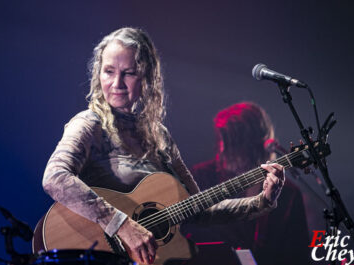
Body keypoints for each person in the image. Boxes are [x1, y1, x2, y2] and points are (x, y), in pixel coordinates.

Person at [42, 27, 285, 265]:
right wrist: (122, 226)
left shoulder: (160, 136)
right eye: (108, 71)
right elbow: (55, 177)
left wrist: (261, 200)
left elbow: (198, 207)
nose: (117, 83)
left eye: (128, 72)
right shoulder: (89, 124)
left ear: (147, 77)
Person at [184, 102, 311, 264]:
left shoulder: (288, 194)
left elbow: (298, 256)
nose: (223, 150)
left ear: (253, 143)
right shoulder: (202, 176)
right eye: (221, 141)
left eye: (232, 143)